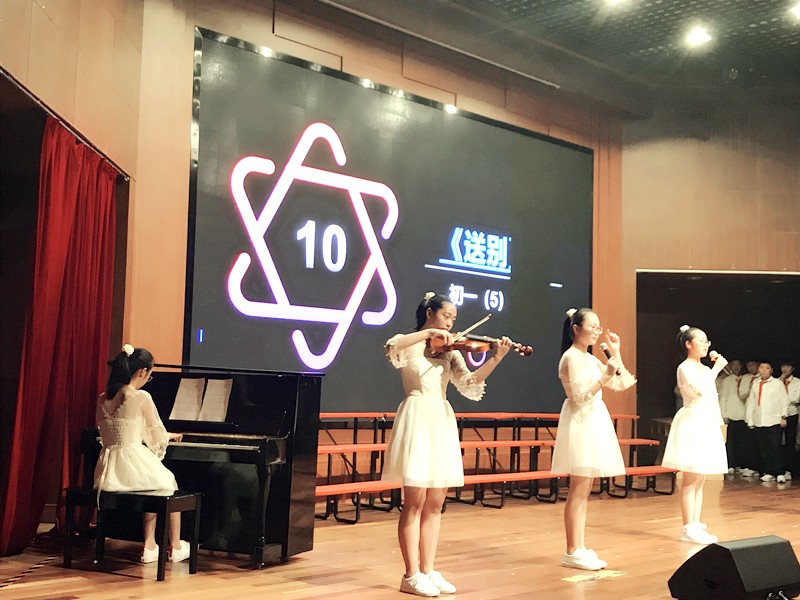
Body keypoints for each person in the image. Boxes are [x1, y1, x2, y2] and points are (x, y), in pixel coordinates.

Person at [382, 292, 512, 597]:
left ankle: (428, 570)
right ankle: (411, 574)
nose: (451, 323)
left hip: (440, 418)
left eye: (454, 318)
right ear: (430, 313)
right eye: (446, 316)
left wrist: (496, 358)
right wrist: (428, 334)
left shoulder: (450, 351)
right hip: (417, 415)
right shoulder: (411, 343)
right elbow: (392, 346)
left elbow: (469, 385)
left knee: (435, 502)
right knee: (414, 502)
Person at [551, 307, 635, 571]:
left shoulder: (589, 358)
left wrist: (616, 353)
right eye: (593, 326)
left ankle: (579, 546)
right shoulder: (571, 357)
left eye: (599, 327)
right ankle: (572, 549)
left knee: (585, 487)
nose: (598, 331)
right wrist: (605, 375)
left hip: (593, 419)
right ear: (576, 328)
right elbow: (578, 396)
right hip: (580, 421)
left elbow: (622, 383)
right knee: (579, 487)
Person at [93, 344, 190, 564]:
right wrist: (170, 436)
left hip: (107, 468)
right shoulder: (141, 396)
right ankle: (174, 546)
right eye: (150, 375)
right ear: (142, 372)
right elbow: (156, 434)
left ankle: (151, 545)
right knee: (167, 482)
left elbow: (117, 428)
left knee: (153, 483)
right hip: (129, 460)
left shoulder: (102, 398)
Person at [661, 326, 728, 544]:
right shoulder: (685, 367)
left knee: (700, 477)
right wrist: (716, 369)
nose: (705, 345)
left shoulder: (703, 368)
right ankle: (687, 526)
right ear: (688, 344)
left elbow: (711, 398)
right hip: (693, 422)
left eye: (707, 341)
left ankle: (695, 522)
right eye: (700, 341)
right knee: (691, 477)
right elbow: (699, 392)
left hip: (705, 421)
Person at [745, 361, 789, 483]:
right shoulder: (755, 384)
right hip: (759, 420)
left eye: (767, 368)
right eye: (762, 368)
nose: (764, 370)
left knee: (775, 447)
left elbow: (784, 400)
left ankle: (779, 472)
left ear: (771, 370)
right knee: (763, 448)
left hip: (774, 419)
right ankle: (769, 472)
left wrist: (784, 416)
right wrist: (750, 419)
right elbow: (751, 402)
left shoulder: (777, 384)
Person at [718, 359, 746, 474]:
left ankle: (740, 464)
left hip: (743, 415)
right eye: (734, 365)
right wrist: (724, 414)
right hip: (731, 414)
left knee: (742, 442)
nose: (736, 367)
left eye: (738, 365)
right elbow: (723, 398)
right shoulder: (727, 381)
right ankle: (731, 464)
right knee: (730, 442)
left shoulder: (745, 379)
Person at [779, 361, 800, 480]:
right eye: (783, 366)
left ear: (792, 368)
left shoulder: (797, 382)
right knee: (777, 442)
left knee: (790, 442)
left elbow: (795, 399)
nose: (785, 369)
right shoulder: (777, 381)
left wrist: (782, 397)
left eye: (788, 366)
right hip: (778, 414)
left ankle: (789, 469)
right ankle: (778, 468)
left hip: (791, 414)